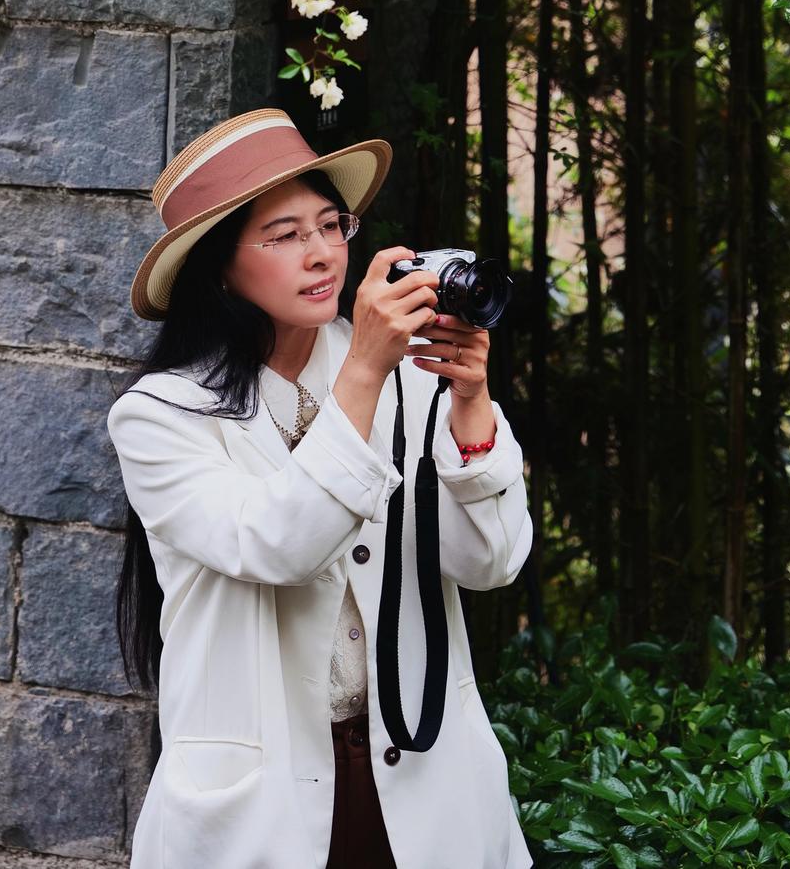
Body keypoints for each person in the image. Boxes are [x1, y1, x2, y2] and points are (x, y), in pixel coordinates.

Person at [107, 106, 533, 869]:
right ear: (218, 265)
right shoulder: (160, 416)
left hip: (425, 775)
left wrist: (469, 403)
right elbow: (278, 542)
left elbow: (491, 561)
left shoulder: (408, 373)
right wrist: (366, 368)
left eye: (332, 225)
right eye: (285, 234)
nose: (322, 255)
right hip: (260, 807)